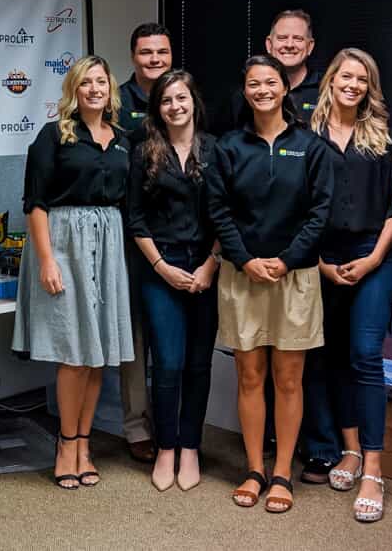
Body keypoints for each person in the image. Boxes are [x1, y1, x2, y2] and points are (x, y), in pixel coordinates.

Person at [208, 55, 333, 513]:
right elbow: (218, 210)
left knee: (288, 378)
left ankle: (282, 472)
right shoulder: (228, 147)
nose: (262, 90)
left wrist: (285, 260)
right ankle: (254, 468)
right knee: (249, 375)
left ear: (285, 90)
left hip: (294, 277)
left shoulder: (310, 146)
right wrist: (244, 259)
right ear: (246, 92)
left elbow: (320, 213)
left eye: (270, 82)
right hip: (242, 276)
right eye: (253, 84)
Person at [13, 55, 135, 490]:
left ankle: (85, 443)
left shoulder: (123, 139)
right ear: (74, 90)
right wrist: (47, 259)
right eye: (86, 83)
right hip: (64, 244)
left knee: (97, 350)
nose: (94, 89)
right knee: (73, 352)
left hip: (108, 245)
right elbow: (36, 203)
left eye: (101, 81)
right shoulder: (53, 136)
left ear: (110, 89)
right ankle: (65, 444)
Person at [307, 49, 392, 522]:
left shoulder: (382, 137)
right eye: (346, 76)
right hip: (322, 261)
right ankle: (349, 449)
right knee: (332, 355)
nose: (354, 85)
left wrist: (375, 258)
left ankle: (374, 467)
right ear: (331, 79)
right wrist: (321, 264)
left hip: (373, 255)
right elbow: (297, 207)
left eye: (362, 79)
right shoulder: (306, 136)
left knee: (365, 354)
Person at [127, 70, 220, 492]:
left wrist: (211, 265)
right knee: (166, 363)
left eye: (181, 98)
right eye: (166, 100)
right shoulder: (144, 151)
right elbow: (136, 218)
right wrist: (163, 267)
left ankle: (190, 448)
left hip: (205, 268)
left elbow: (226, 215)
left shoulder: (216, 150)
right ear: (157, 107)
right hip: (159, 268)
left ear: (193, 102)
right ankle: (166, 447)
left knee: (199, 365)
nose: (175, 106)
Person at [117, 22, 174, 463]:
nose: (154, 60)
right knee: (136, 336)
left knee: (172, 336)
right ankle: (137, 426)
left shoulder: (181, 95)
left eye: (162, 52)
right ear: (133, 56)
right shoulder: (118, 102)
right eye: (146, 53)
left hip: (177, 234)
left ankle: (173, 424)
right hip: (128, 234)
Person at [225, 9, 322, 131]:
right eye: (282, 38)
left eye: (298, 38)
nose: (289, 45)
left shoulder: (326, 90)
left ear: (310, 46)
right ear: (269, 44)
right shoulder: (244, 95)